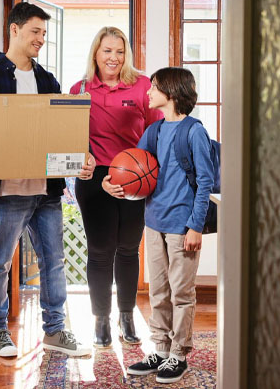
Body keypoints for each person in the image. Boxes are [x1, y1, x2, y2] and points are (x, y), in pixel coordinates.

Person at [0, 2, 94, 358]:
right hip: (7, 192)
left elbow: (63, 133)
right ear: (14, 30)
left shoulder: (47, 80)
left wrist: (81, 157)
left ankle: (55, 330)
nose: (41, 39)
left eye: (44, 32)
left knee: (54, 261)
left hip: (46, 191)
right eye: (35, 32)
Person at [103, 67, 214, 383]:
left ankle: (179, 355)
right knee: (159, 291)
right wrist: (114, 184)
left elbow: (205, 182)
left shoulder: (194, 132)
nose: (148, 92)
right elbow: (134, 170)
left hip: (182, 225)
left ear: (172, 92)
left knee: (182, 292)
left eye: (153, 87)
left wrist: (196, 226)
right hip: (153, 222)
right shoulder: (153, 132)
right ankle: (162, 351)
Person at [69, 27, 162, 348]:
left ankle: (126, 316)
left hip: (135, 175)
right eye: (107, 51)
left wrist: (135, 174)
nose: (113, 57)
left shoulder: (142, 86)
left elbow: (156, 133)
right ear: (96, 53)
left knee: (127, 249)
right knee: (99, 251)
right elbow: (70, 138)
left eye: (119, 51)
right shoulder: (79, 89)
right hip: (95, 178)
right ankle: (101, 320)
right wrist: (92, 168)